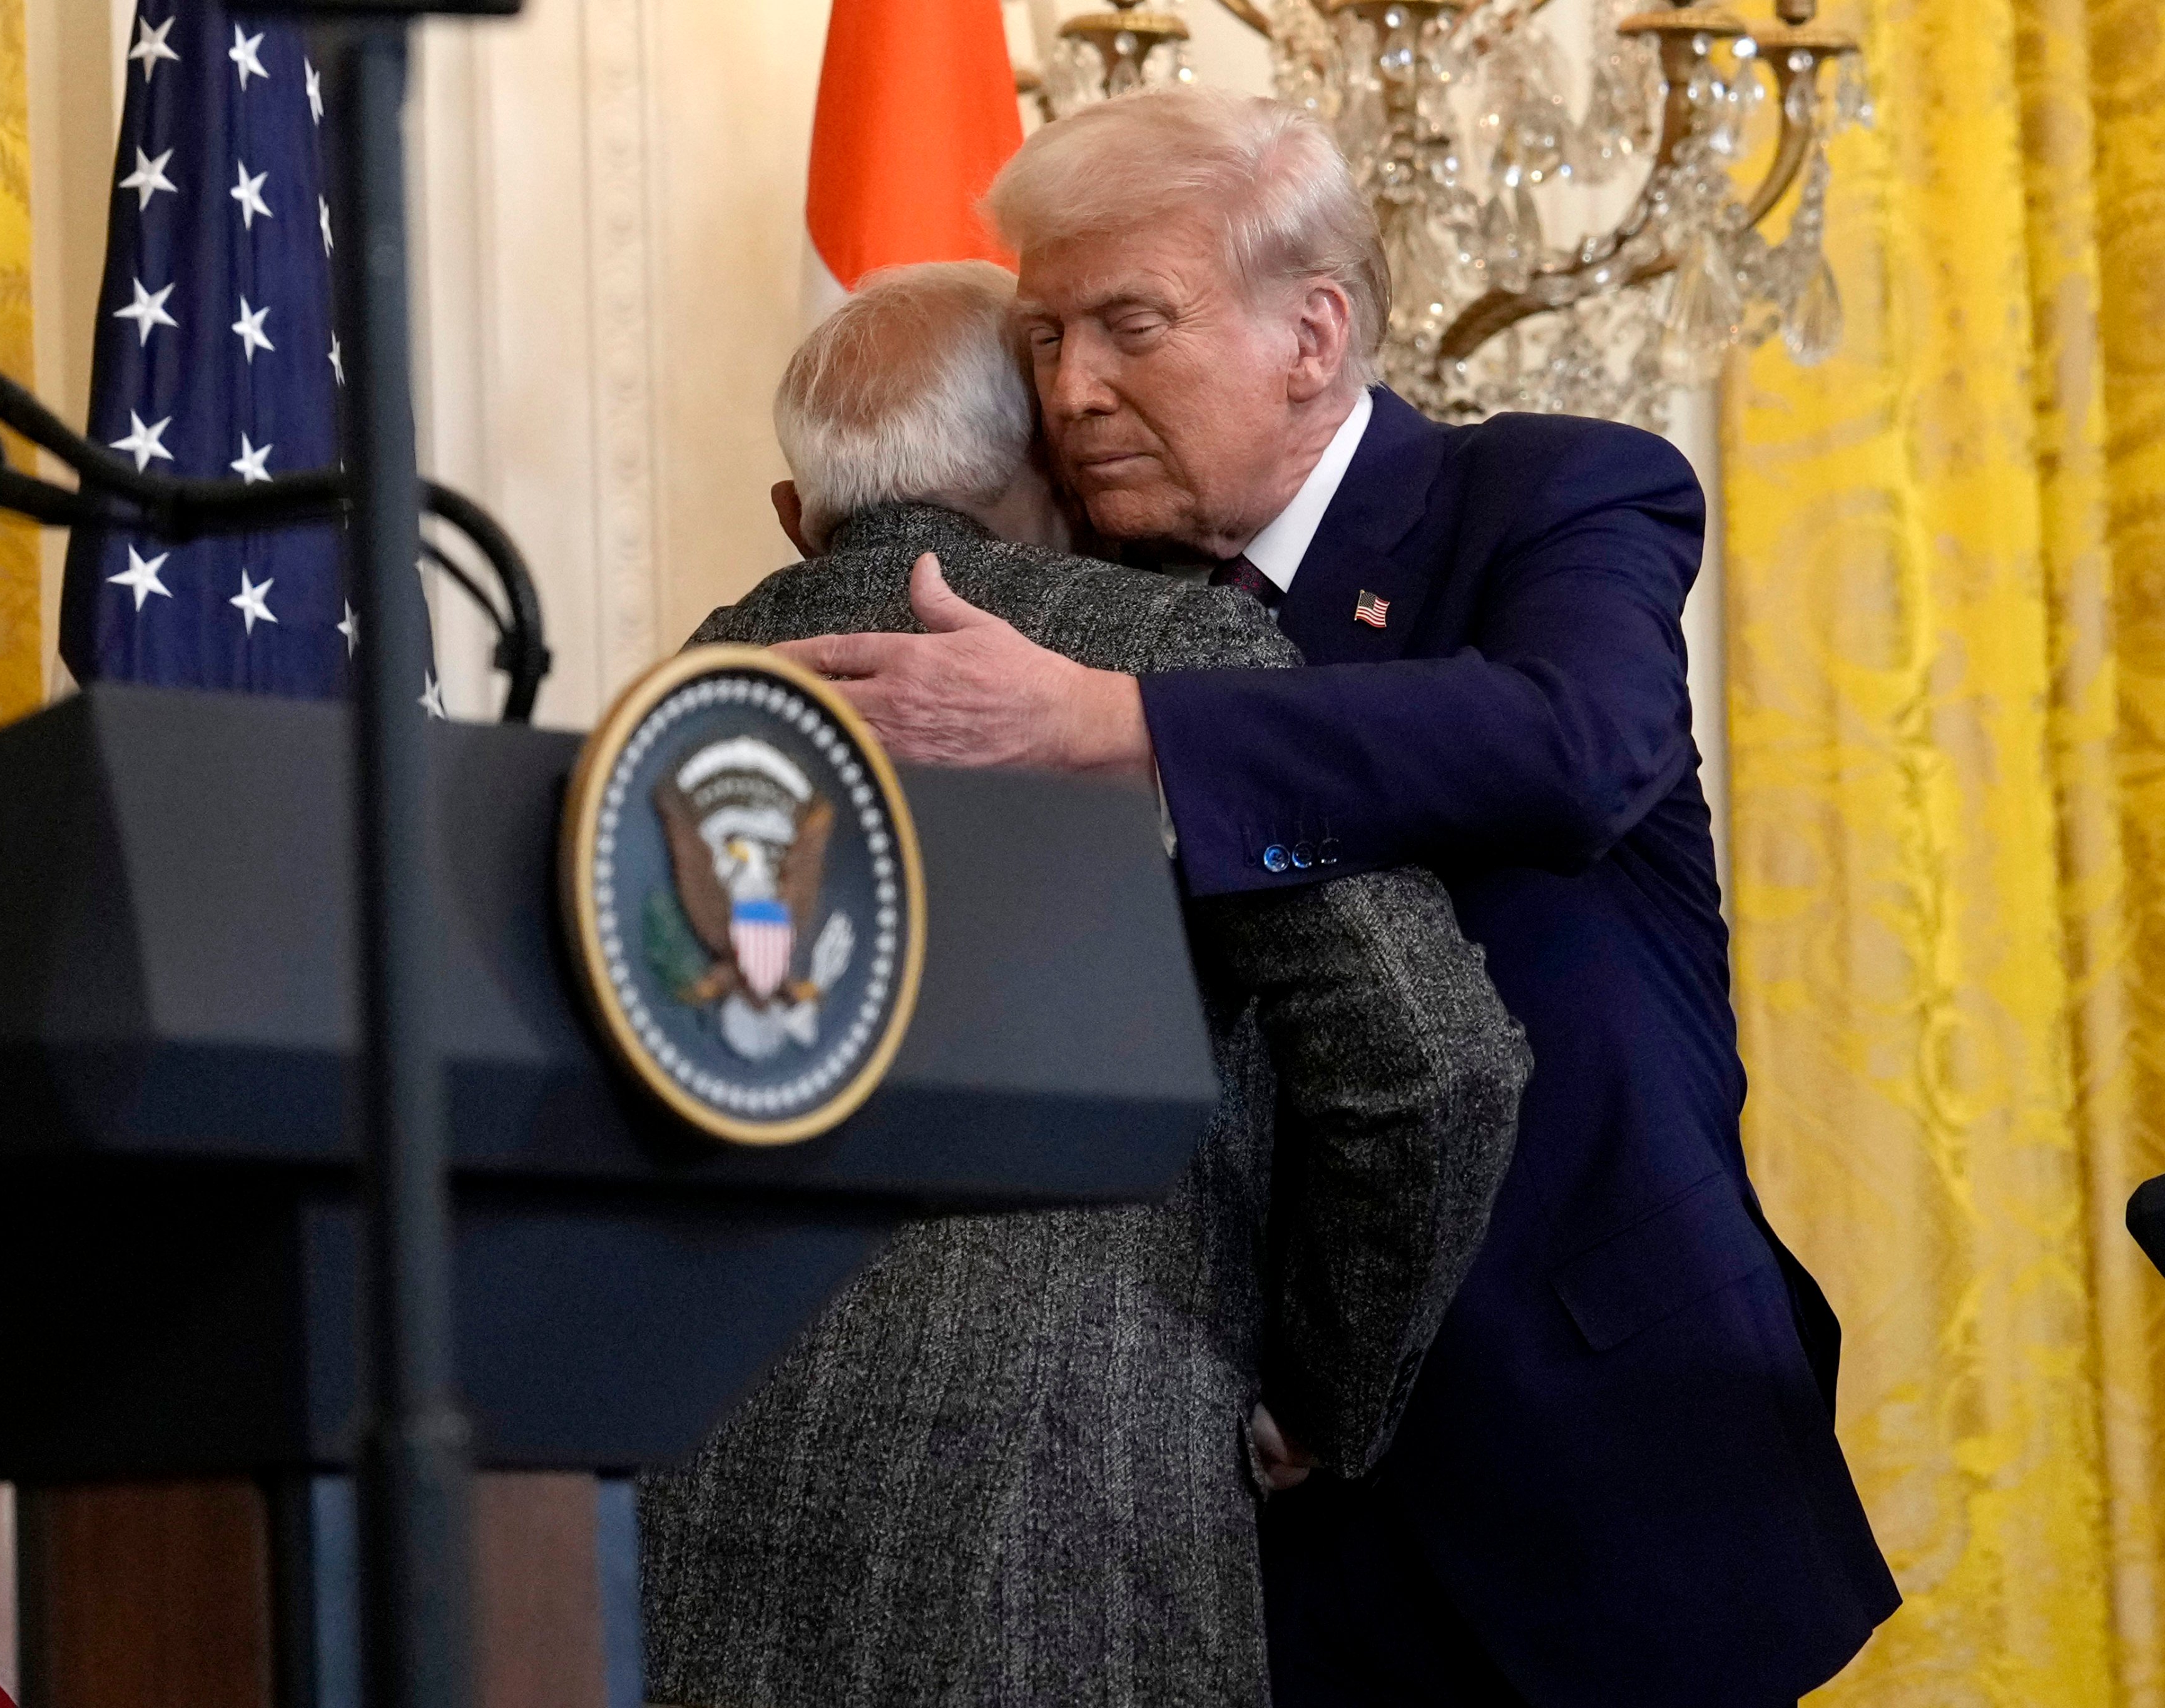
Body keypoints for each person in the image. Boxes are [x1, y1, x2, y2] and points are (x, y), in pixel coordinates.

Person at [777, 89, 1901, 1707]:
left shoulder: (1553, 498)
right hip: (1257, 1531)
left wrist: (1125, 730)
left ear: (1312, 336)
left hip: (1599, 1474)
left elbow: (1573, 748)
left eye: (1129, 326)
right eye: (1041, 339)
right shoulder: (1088, 607)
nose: (1072, 389)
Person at [636, 260, 1532, 1708]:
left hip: (689, 1483)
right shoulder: (1167, 652)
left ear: (796, 515)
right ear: (1051, 463)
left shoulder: (672, 698)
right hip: (1062, 1506)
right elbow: (1431, 1057)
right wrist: (1323, 1396)